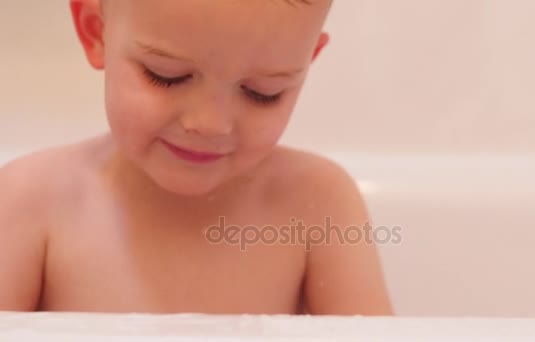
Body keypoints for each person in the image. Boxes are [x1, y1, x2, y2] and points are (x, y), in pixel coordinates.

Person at [0, 0, 393, 315]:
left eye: (262, 92)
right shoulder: (32, 201)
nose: (211, 124)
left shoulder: (318, 203)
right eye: (166, 76)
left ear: (307, 62)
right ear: (96, 30)